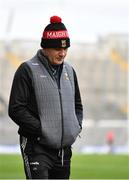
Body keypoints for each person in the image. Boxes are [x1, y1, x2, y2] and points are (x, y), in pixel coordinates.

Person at [8, 15, 83, 179]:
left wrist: (76, 127)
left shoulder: (70, 71)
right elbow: (16, 109)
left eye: (65, 49)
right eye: (58, 49)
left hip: (63, 153)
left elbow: (77, 105)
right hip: (37, 148)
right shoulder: (27, 70)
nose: (62, 53)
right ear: (45, 47)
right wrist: (42, 130)